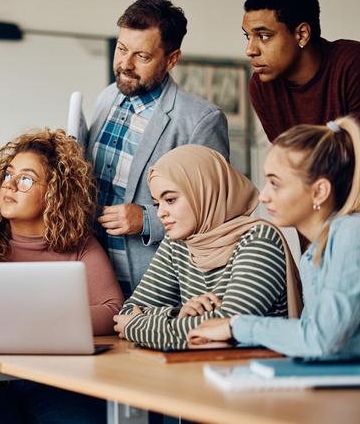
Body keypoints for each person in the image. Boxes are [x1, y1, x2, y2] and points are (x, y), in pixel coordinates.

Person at [0, 129, 122, 424]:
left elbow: (113, 310)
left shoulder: (81, 246)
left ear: (54, 193)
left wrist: (35, 317)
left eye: (26, 179)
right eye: (8, 174)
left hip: (55, 379)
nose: (10, 185)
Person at [189, 118, 360, 362]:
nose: (263, 196)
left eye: (275, 183)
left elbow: (320, 339)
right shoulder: (312, 254)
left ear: (319, 191)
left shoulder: (358, 233)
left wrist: (235, 326)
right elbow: (309, 342)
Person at [84, 0, 229, 297]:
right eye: (121, 49)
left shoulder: (201, 120)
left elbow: (216, 214)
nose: (125, 64)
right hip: (94, 279)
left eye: (142, 56)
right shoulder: (106, 98)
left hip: (154, 286)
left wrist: (146, 219)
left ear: (171, 59)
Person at [112, 145, 300, 349]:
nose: (161, 213)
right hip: (201, 369)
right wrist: (178, 313)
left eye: (170, 200)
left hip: (255, 372)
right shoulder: (178, 243)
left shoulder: (260, 240)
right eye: (158, 204)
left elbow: (226, 328)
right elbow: (128, 312)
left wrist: (137, 327)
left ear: (204, 191)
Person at [243, 0, 360, 211]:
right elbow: (294, 168)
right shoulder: (262, 86)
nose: (250, 49)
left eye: (263, 36)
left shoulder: (357, 66)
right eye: (247, 36)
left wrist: (345, 236)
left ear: (301, 34)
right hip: (315, 222)